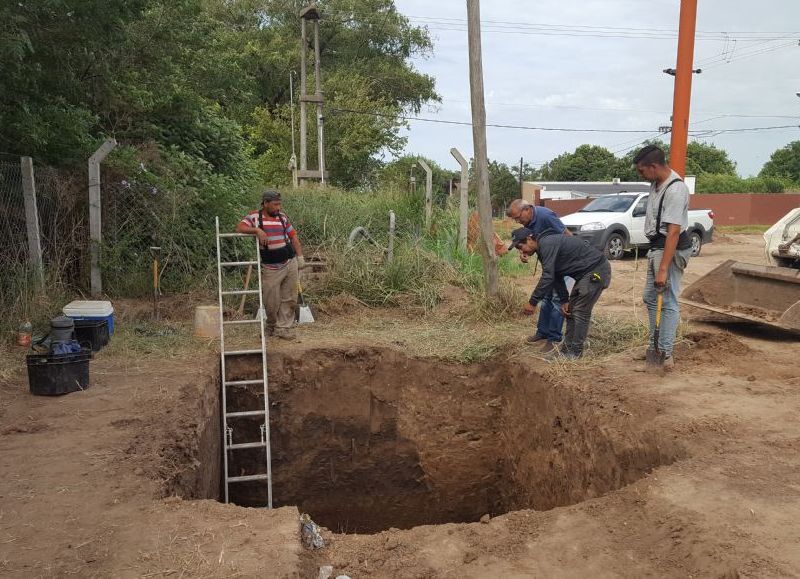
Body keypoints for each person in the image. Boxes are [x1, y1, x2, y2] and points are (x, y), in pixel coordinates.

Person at [632, 145, 693, 370]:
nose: (641, 175)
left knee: (667, 301)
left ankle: (665, 355)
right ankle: (654, 347)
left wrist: (663, 268)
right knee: (650, 297)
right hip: (657, 247)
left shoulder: (676, 190)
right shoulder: (656, 184)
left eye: (642, 170)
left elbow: (674, 232)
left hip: (671, 249)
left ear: (654, 166)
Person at [509, 226, 611, 360]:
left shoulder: (547, 244)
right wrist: (564, 300)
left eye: (520, 246)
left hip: (596, 270)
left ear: (529, 239)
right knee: (570, 311)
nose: (521, 251)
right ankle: (566, 351)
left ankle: (575, 353)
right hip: (584, 275)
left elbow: (548, 277)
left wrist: (532, 302)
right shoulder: (542, 248)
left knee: (580, 312)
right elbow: (556, 275)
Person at [236, 190, 305, 340]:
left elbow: (293, 237)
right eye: (275, 204)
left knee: (290, 298)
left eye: (279, 204)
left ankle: (284, 328)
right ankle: (271, 326)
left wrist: (300, 257)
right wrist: (257, 231)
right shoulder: (255, 217)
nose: (278, 207)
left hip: (289, 262)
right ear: (265, 203)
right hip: (271, 267)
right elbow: (240, 227)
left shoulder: (282, 217)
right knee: (271, 301)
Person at [506, 199, 572, 352]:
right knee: (547, 297)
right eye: (515, 219)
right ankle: (542, 332)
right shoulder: (528, 223)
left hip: (562, 262)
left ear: (527, 209)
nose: (518, 221)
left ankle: (554, 338)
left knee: (557, 298)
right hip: (550, 262)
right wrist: (526, 253)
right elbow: (533, 243)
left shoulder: (545, 216)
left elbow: (566, 234)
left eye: (518, 217)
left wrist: (570, 255)